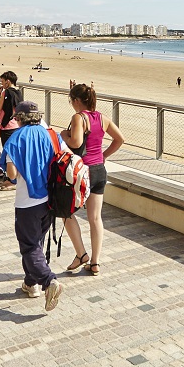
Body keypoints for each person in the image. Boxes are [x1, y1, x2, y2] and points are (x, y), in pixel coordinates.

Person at [0, 101, 65, 311]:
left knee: (29, 246)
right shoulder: (50, 134)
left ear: (19, 118)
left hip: (27, 202)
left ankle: (49, 280)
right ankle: (31, 284)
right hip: (49, 199)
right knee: (36, 243)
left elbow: (11, 174)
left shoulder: (16, 138)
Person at [60, 84, 124, 276]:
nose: (71, 104)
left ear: (77, 101)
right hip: (99, 171)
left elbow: (76, 143)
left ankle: (81, 254)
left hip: (82, 172)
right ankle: (95, 262)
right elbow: (120, 139)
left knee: (66, 211)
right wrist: (103, 156)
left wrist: (64, 135)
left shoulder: (79, 118)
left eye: (71, 101)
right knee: (95, 218)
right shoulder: (101, 118)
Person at [0, 71, 23, 190]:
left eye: (2, 82)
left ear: (8, 81)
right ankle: (11, 178)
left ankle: (12, 180)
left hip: (8, 126)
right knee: (13, 153)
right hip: (16, 125)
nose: (2, 85)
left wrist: (0, 94)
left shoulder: (6, 92)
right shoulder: (18, 93)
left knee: (9, 154)